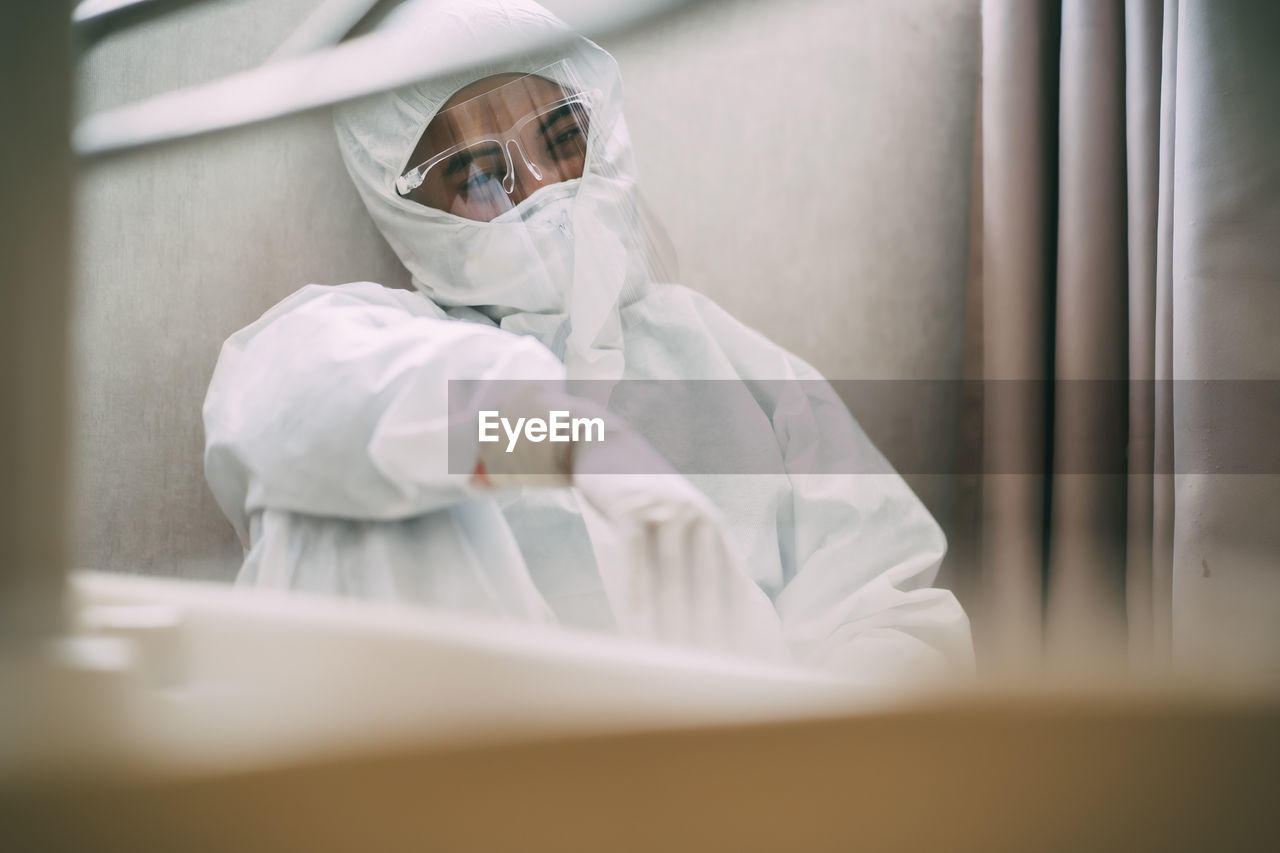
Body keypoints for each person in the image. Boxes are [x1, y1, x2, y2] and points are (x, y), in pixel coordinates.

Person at [203, 0, 973, 682]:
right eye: (475, 170)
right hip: (480, 775)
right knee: (346, 497)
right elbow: (289, 411)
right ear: (404, 206)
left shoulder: (730, 359)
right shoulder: (384, 341)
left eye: (563, 136)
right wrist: (568, 441)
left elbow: (891, 607)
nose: (539, 188)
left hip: (739, 789)